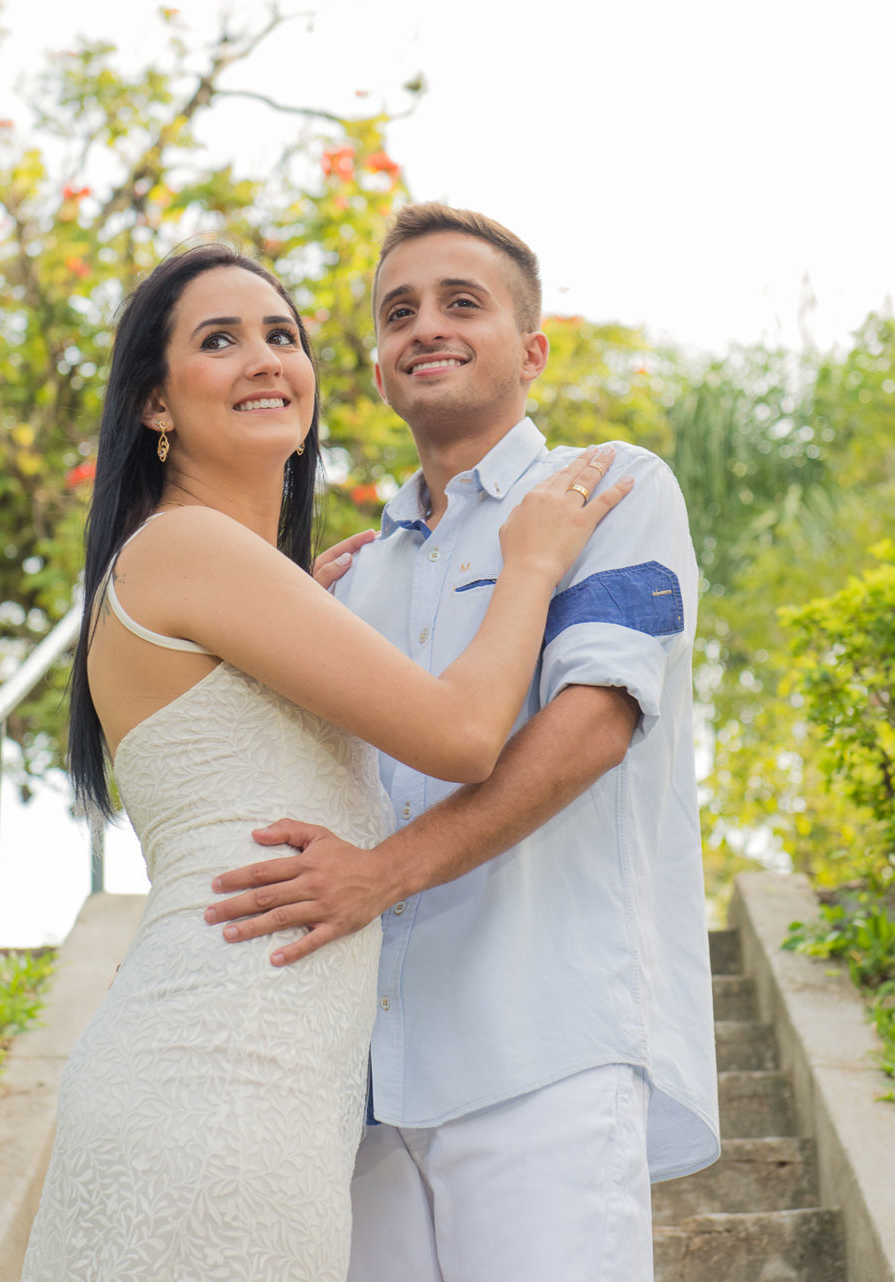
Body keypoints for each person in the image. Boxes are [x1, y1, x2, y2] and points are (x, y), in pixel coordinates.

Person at [18, 243, 631, 1281]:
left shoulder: (232, 574)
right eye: (219, 340)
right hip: (220, 1077)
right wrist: (530, 563)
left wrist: (299, 590)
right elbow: (464, 735)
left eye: (282, 336)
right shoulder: (188, 551)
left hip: (263, 1079)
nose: (264, 358)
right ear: (155, 405)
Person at [205, 204, 721, 1281]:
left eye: (460, 303)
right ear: (382, 372)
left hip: (544, 1055)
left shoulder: (611, 489)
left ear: (530, 350)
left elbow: (591, 728)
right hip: (361, 1087)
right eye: (399, 314)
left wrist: (378, 877)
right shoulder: (353, 578)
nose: (425, 327)